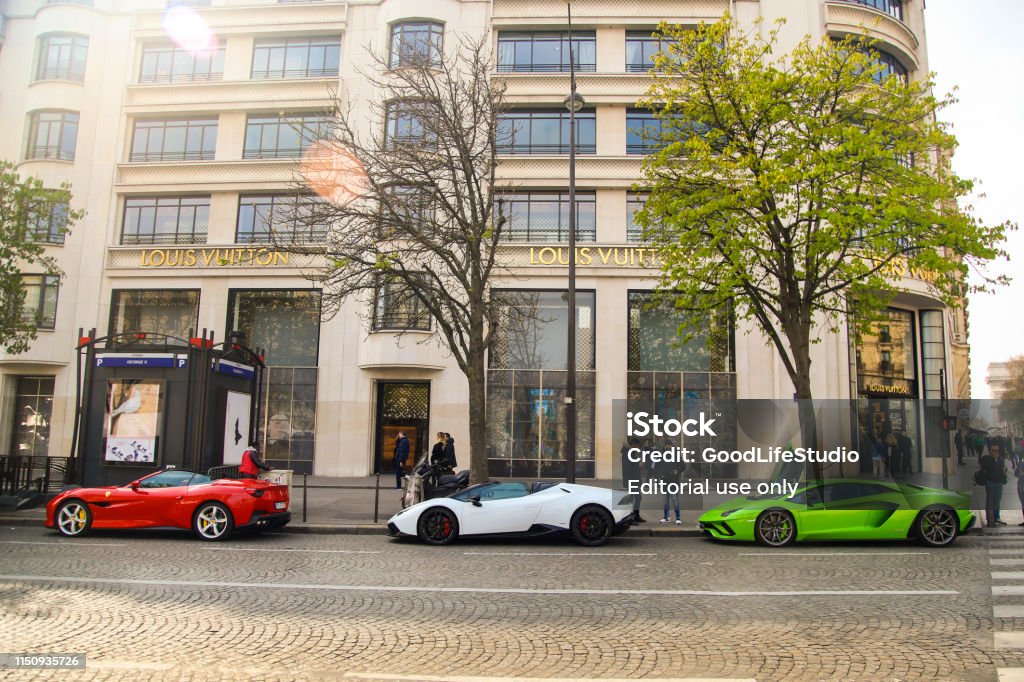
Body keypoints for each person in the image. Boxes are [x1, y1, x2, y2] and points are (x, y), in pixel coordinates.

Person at [980, 442, 1007, 527]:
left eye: (997, 450)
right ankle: (990, 519)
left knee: (997, 501)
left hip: (999, 483)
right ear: (989, 451)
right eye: (993, 450)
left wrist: (1004, 469)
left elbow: (1003, 468)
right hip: (990, 483)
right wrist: (993, 459)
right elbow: (985, 467)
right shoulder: (986, 458)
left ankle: (997, 517)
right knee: (990, 502)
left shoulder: (1000, 459)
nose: (996, 452)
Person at [620, 437, 645, 523]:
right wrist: (638, 467)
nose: (638, 448)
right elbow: (628, 468)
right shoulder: (628, 453)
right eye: (638, 446)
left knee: (632, 498)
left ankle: (633, 516)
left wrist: (637, 467)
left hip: (631, 479)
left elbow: (630, 466)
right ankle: (632, 517)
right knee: (637, 497)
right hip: (631, 480)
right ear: (633, 445)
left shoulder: (629, 452)